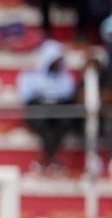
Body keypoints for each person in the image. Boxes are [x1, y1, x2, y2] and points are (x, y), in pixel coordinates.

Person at [17, 39, 79, 176]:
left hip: (57, 114)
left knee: (64, 122)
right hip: (40, 113)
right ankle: (52, 157)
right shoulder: (31, 76)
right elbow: (26, 96)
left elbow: (68, 93)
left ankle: (46, 157)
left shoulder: (65, 77)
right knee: (43, 124)